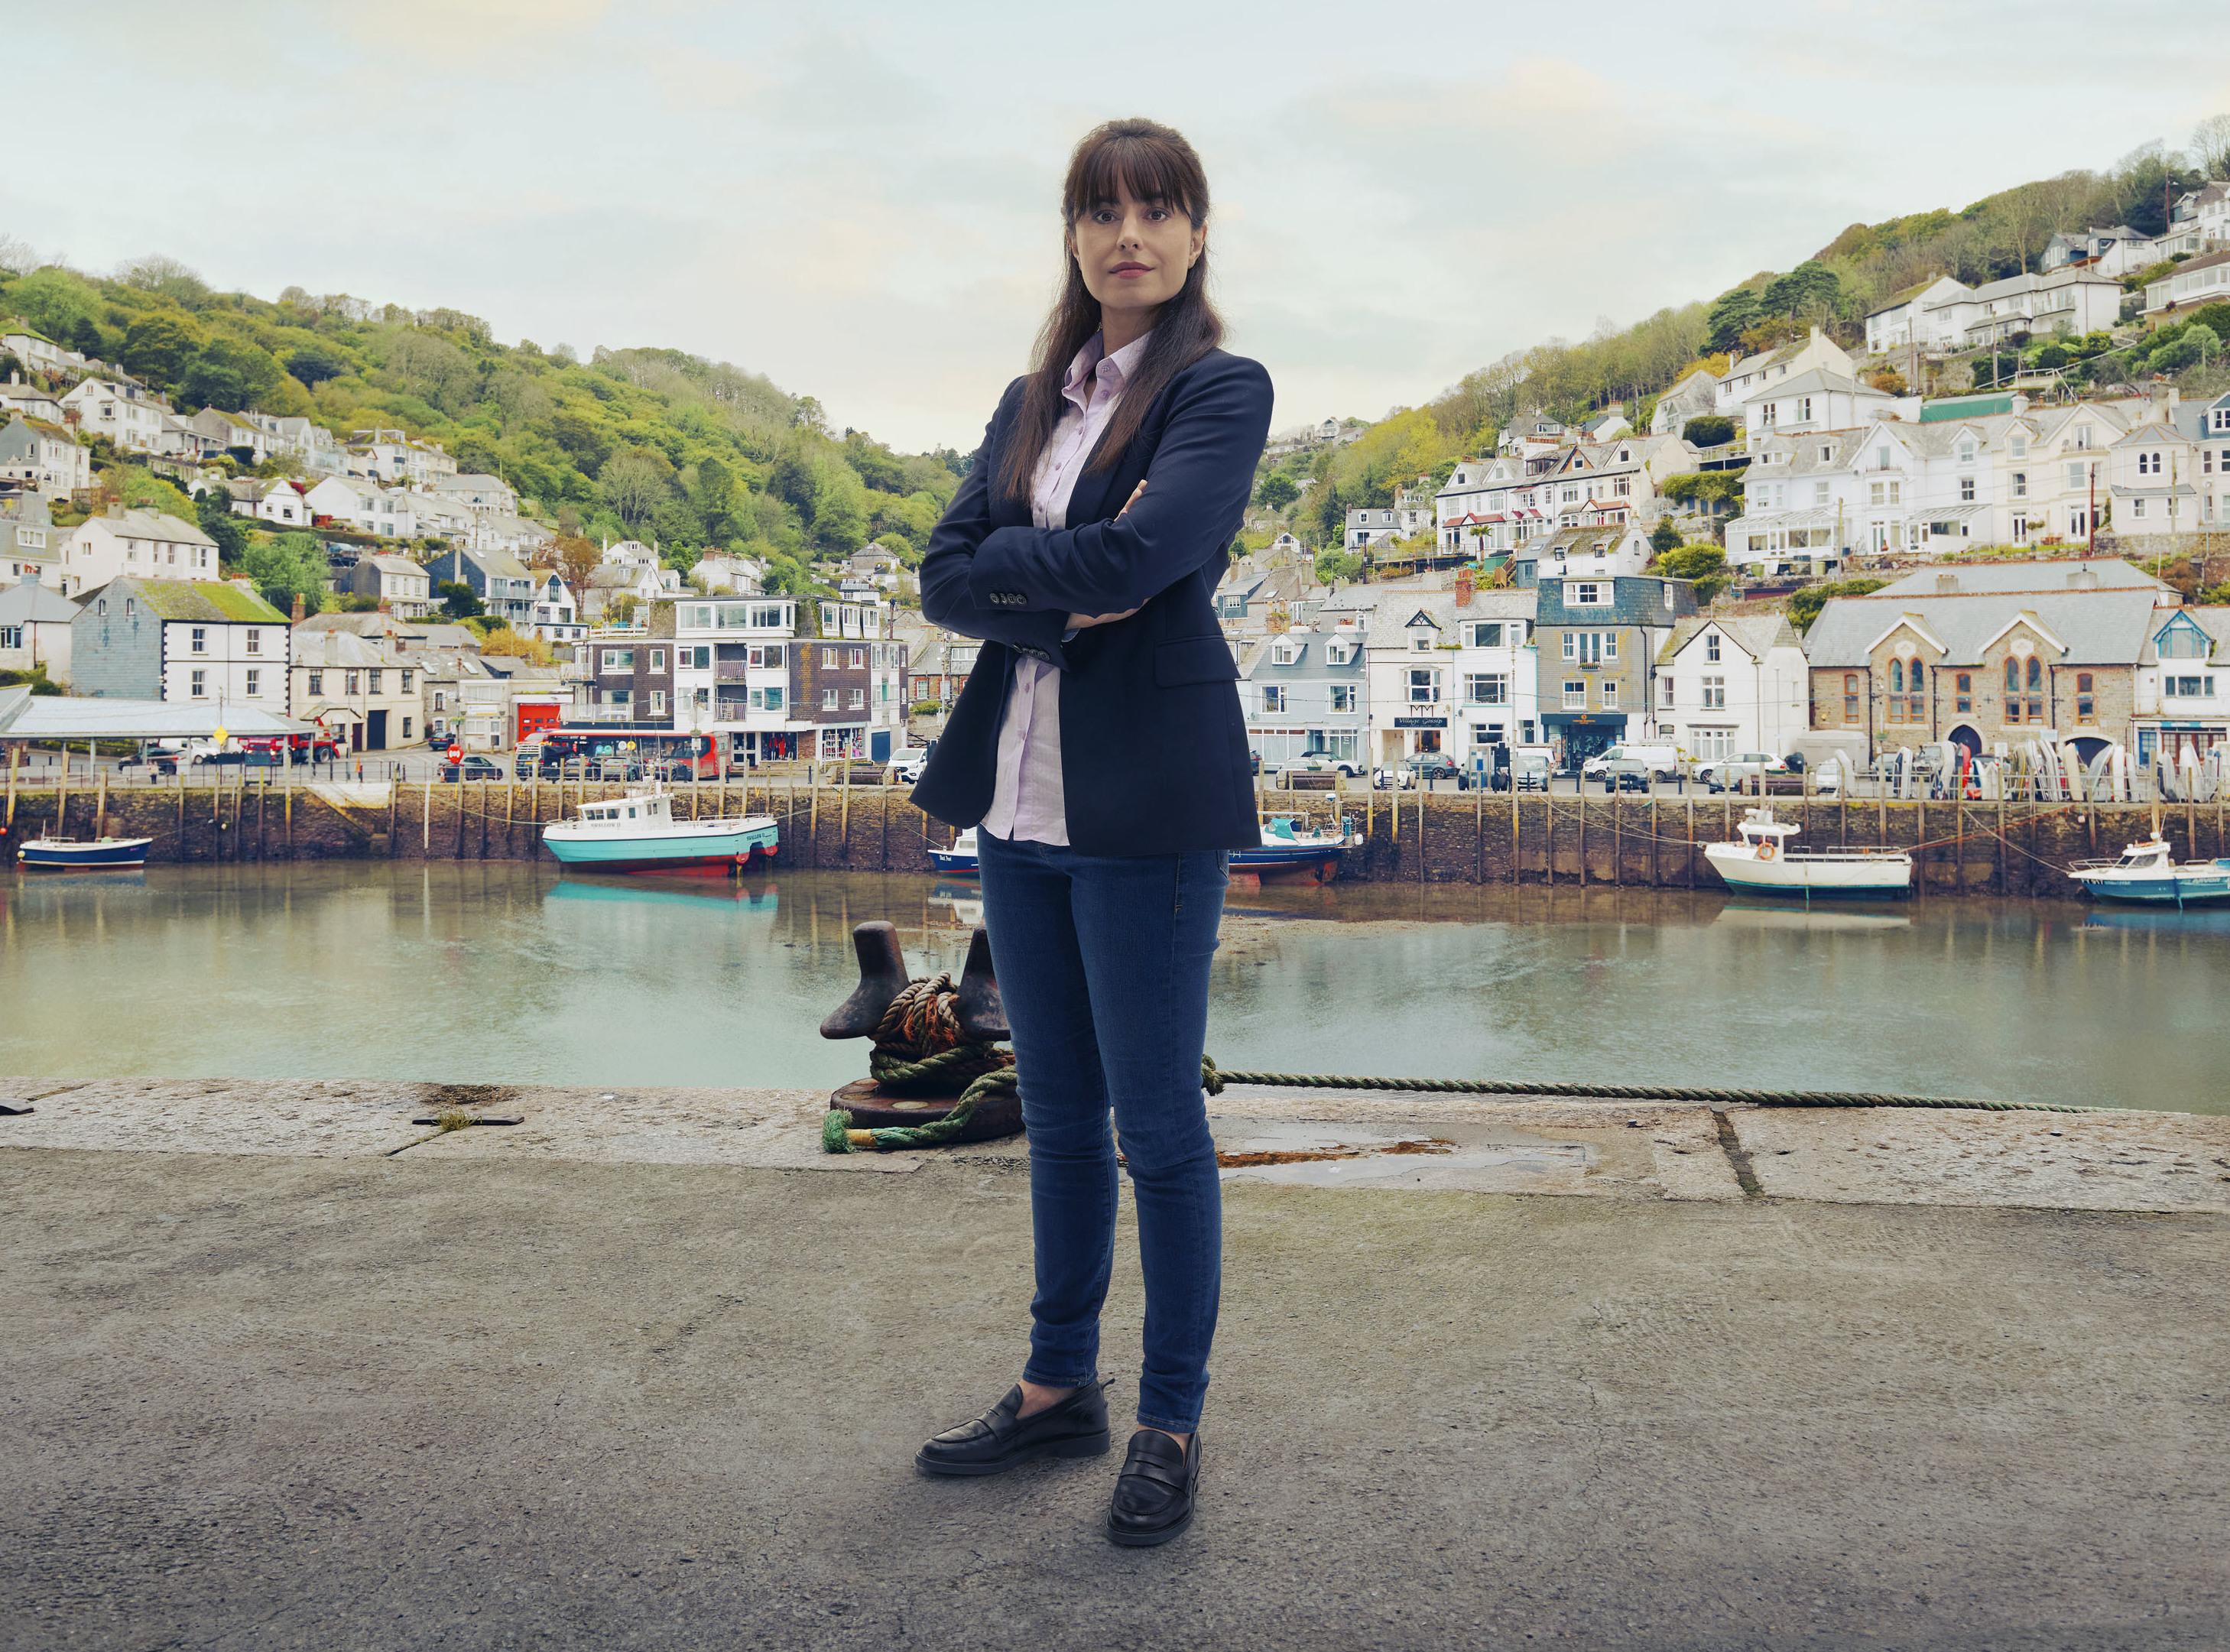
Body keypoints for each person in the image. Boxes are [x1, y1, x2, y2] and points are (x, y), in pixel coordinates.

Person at [908, 117, 1271, 1548]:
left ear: (1194, 232)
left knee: (1158, 1130)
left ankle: (1171, 1418)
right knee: (1057, 1115)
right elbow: (943, 575)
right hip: (1019, 793)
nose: (1129, 233)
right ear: (1072, 235)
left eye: (1157, 208)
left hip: (1146, 803)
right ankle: (1060, 1381)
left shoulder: (1218, 389)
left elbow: (1144, 552)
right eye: (1101, 209)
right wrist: (1040, 586)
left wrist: (1023, 570)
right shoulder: (1027, 401)